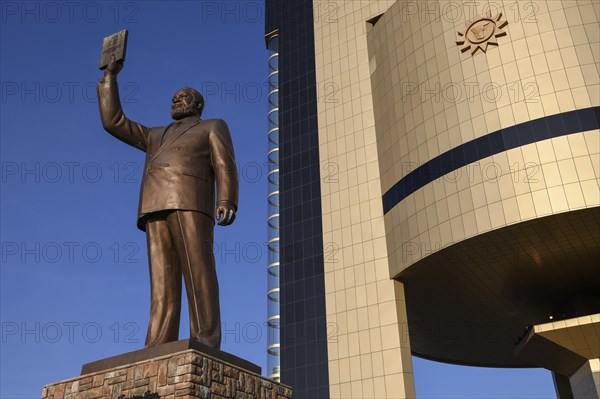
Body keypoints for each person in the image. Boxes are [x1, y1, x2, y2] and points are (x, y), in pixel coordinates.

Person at [97, 60, 238, 349]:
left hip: (191, 201)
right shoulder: (154, 135)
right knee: (161, 283)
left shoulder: (212, 126)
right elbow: (115, 122)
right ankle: (158, 343)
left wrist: (226, 198)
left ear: (198, 105)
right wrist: (110, 78)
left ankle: (206, 338)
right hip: (154, 205)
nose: (176, 100)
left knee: (198, 272)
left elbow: (225, 164)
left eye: (183, 96)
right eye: (173, 97)